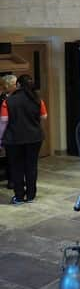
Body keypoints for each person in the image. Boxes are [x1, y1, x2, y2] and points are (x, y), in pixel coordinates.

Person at [0, 74, 48, 205]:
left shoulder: (8, 101)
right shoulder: (38, 100)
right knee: (31, 166)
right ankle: (31, 195)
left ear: (18, 85)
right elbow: (44, 116)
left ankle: (19, 196)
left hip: (14, 139)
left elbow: (4, 121)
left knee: (17, 167)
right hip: (35, 137)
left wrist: (0, 138)